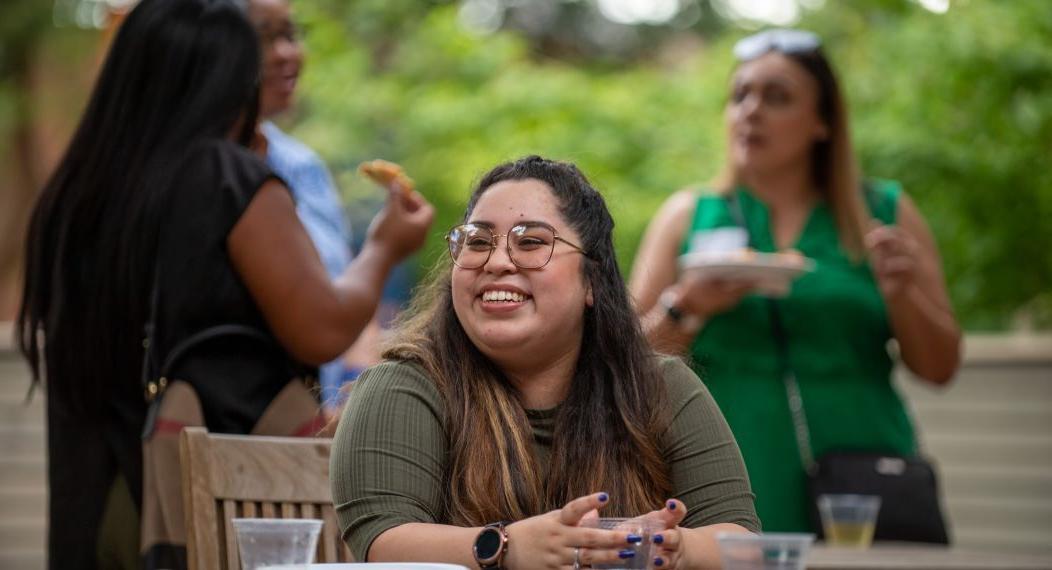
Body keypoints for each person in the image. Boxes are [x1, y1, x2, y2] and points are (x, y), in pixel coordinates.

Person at [15, 0, 433, 568]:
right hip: (204, 505)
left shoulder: (77, 190)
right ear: (226, 76)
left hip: (97, 506)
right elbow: (321, 329)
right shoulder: (224, 176)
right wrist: (385, 246)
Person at [331, 156, 759, 570]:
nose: (497, 262)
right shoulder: (405, 385)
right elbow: (383, 539)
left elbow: (741, 541)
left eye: (531, 242)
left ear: (592, 280)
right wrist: (506, 547)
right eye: (477, 241)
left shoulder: (659, 385)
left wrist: (673, 547)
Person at [628, 28, 961, 533]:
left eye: (777, 97)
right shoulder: (686, 215)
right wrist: (686, 306)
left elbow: (939, 368)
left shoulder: (883, 214)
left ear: (823, 122)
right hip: (721, 488)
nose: (751, 110)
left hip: (864, 487)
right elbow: (625, 371)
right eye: (739, 95)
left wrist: (902, 294)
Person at [246, 0, 377, 410]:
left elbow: (345, 299)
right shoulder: (213, 175)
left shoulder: (303, 167)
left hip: (315, 426)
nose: (287, 53)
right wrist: (384, 248)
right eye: (264, 37)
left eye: (290, 34)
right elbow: (320, 329)